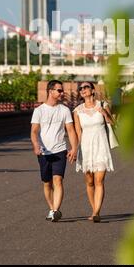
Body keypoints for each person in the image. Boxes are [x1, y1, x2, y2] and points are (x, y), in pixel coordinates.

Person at [31, 80, 78, 222]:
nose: (62, 93)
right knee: (47, 183)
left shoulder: (64, 110)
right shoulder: (39, 111)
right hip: (44, 152)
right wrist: (35, 145)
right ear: (50, 91)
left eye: (62, 90)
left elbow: (70, 130)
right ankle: (52, 208)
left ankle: (56, 210)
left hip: (60, 150)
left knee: (58, 180)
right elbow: (34, 131)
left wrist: (74, 148)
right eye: (59, 90)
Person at [73, 81, 115, 223]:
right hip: (86, 148)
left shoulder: (102, 105)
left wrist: (104, 114)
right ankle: (94, 210)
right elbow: (78, 133)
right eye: (81, 88)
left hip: (101, 146)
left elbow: (113, 123)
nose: (83, 90)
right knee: (89, 181)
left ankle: (97, 212)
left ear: (92, 90)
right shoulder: (77, 111)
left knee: (99, 180)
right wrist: (75, 150)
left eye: (86, 87)